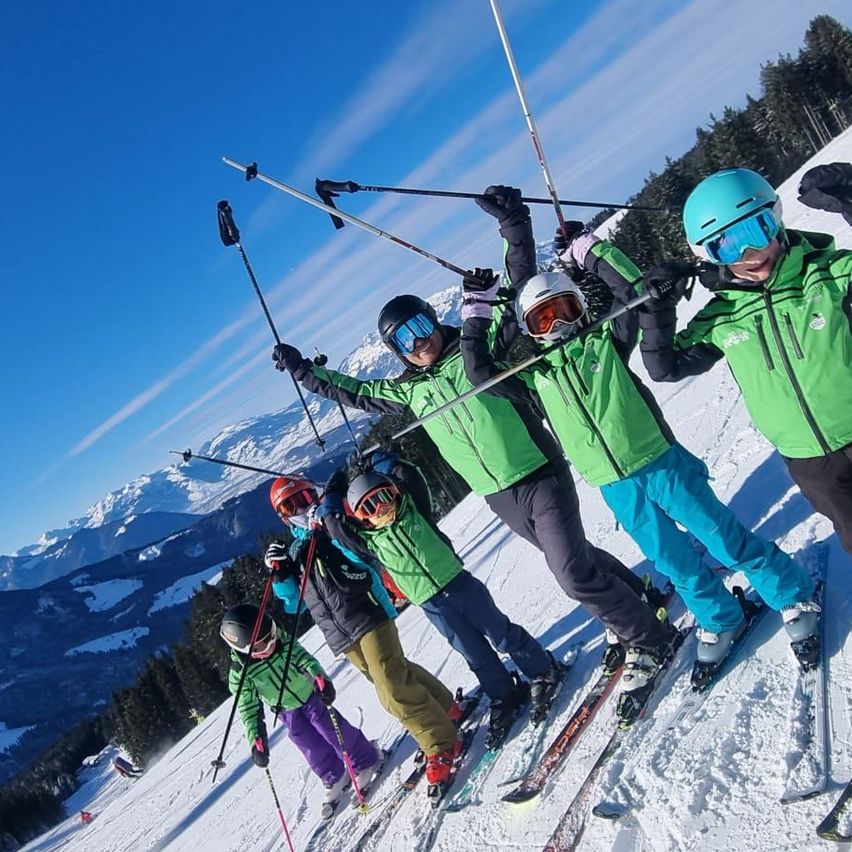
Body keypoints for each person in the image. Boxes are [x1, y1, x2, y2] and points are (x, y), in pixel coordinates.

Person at [269, 203, 671, 683]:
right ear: (395, 352)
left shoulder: (474, 352)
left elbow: (517, 288)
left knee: (570, 575)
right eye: (404, 342)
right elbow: (348, 391)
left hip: (539, 472)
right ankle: (635, 597)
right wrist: (302, 371)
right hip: (497, 493)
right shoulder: (407, 392)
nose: (419, 344)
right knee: (574, 558)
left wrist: (514, 227)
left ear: (434, 320)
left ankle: (648, 637)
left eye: (421, 328)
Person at [461, 185, 818, 702]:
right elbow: (477, 371)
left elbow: (640, 291)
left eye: (564, 308)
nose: (557, 323)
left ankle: (789, 594)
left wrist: (592, 251)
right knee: (669, 557)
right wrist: (476, 315)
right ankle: (719, 614)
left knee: (721, 535)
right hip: (614, 485)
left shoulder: (606, 339)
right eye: (543, 319)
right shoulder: (533, 376)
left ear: (582, 306)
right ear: (530, 332)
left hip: (660, 461)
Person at [639, 164, 852, 565]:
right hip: (810, 461)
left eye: (755, 232)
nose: (750, 255)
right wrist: (656, 309)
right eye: (728, 246)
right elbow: (665, 366)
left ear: (776, 220)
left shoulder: (829, 275)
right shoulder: (722, 317)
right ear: (707, 255)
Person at [321, 454, 566, 744]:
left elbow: (407, 472)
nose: (382, 507)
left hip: (459, 583)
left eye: (384, 495)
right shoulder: (371, 542)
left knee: (500, 632)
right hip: (431, 604)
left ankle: (542, 669)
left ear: (394, 491)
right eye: (371, 506)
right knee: (473, 652)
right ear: (361, 517)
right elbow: (336, 529)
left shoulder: (414, 510)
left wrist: (379, 460)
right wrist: (331, 496)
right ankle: (504, 693)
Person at [263, 476, 464, 800]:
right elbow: (295, 603)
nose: (300, 508)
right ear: (283, 516)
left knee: (391, 690)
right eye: (290, 506)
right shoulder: (295, 549)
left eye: (302, 498)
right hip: (340, 633)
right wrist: (282, 575)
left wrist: (329, 531)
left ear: (312, 493)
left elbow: (364, 557)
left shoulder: (331, 524)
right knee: (395, 674)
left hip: (368, 614)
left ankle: (441, 742)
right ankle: (447, 708)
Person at [219, 603, 380, 820]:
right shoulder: (240, 674)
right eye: (261, 645)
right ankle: (335, 776)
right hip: (286, 710)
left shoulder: (282, 642)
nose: (270, 645)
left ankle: (366, 759)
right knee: (309, 746)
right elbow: (248, 708)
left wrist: (319, 678)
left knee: (333, 730)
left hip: (311, 695)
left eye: (271, 635)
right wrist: (256, 739)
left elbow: (304, 659)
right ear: (244, 649)